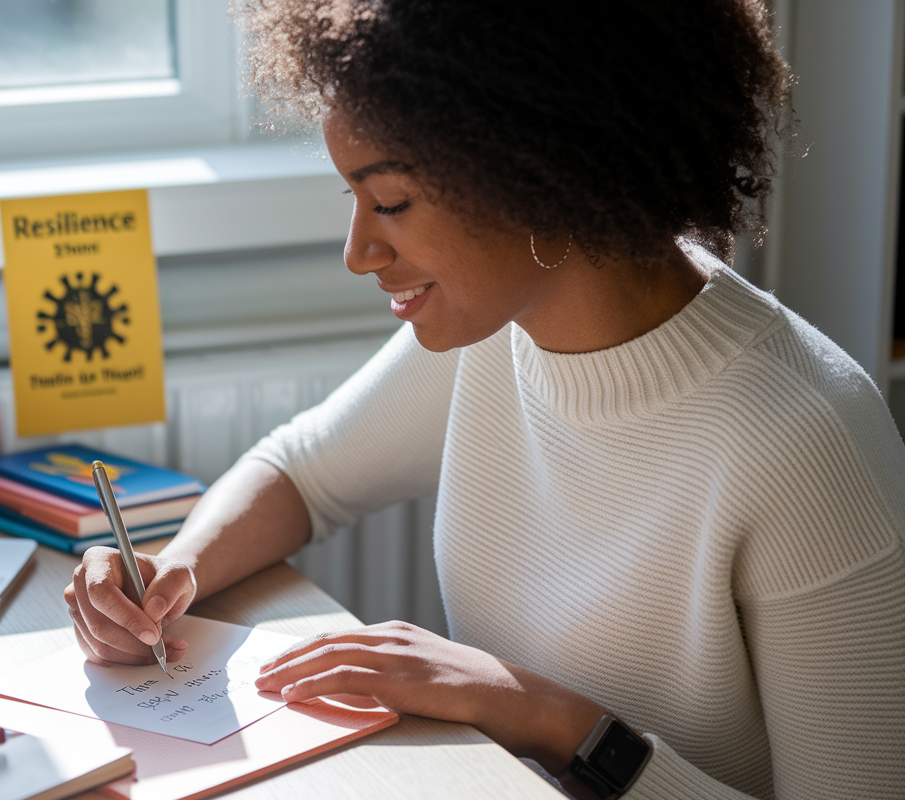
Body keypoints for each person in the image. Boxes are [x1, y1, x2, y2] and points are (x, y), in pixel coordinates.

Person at [64, 2, 905, 797]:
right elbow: (301, 472)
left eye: (390, 202)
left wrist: (539, 714)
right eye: (351, 198)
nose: (357, 252)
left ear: (539, 169)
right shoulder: (503, 327)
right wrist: (170, 576)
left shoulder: (806, 444)